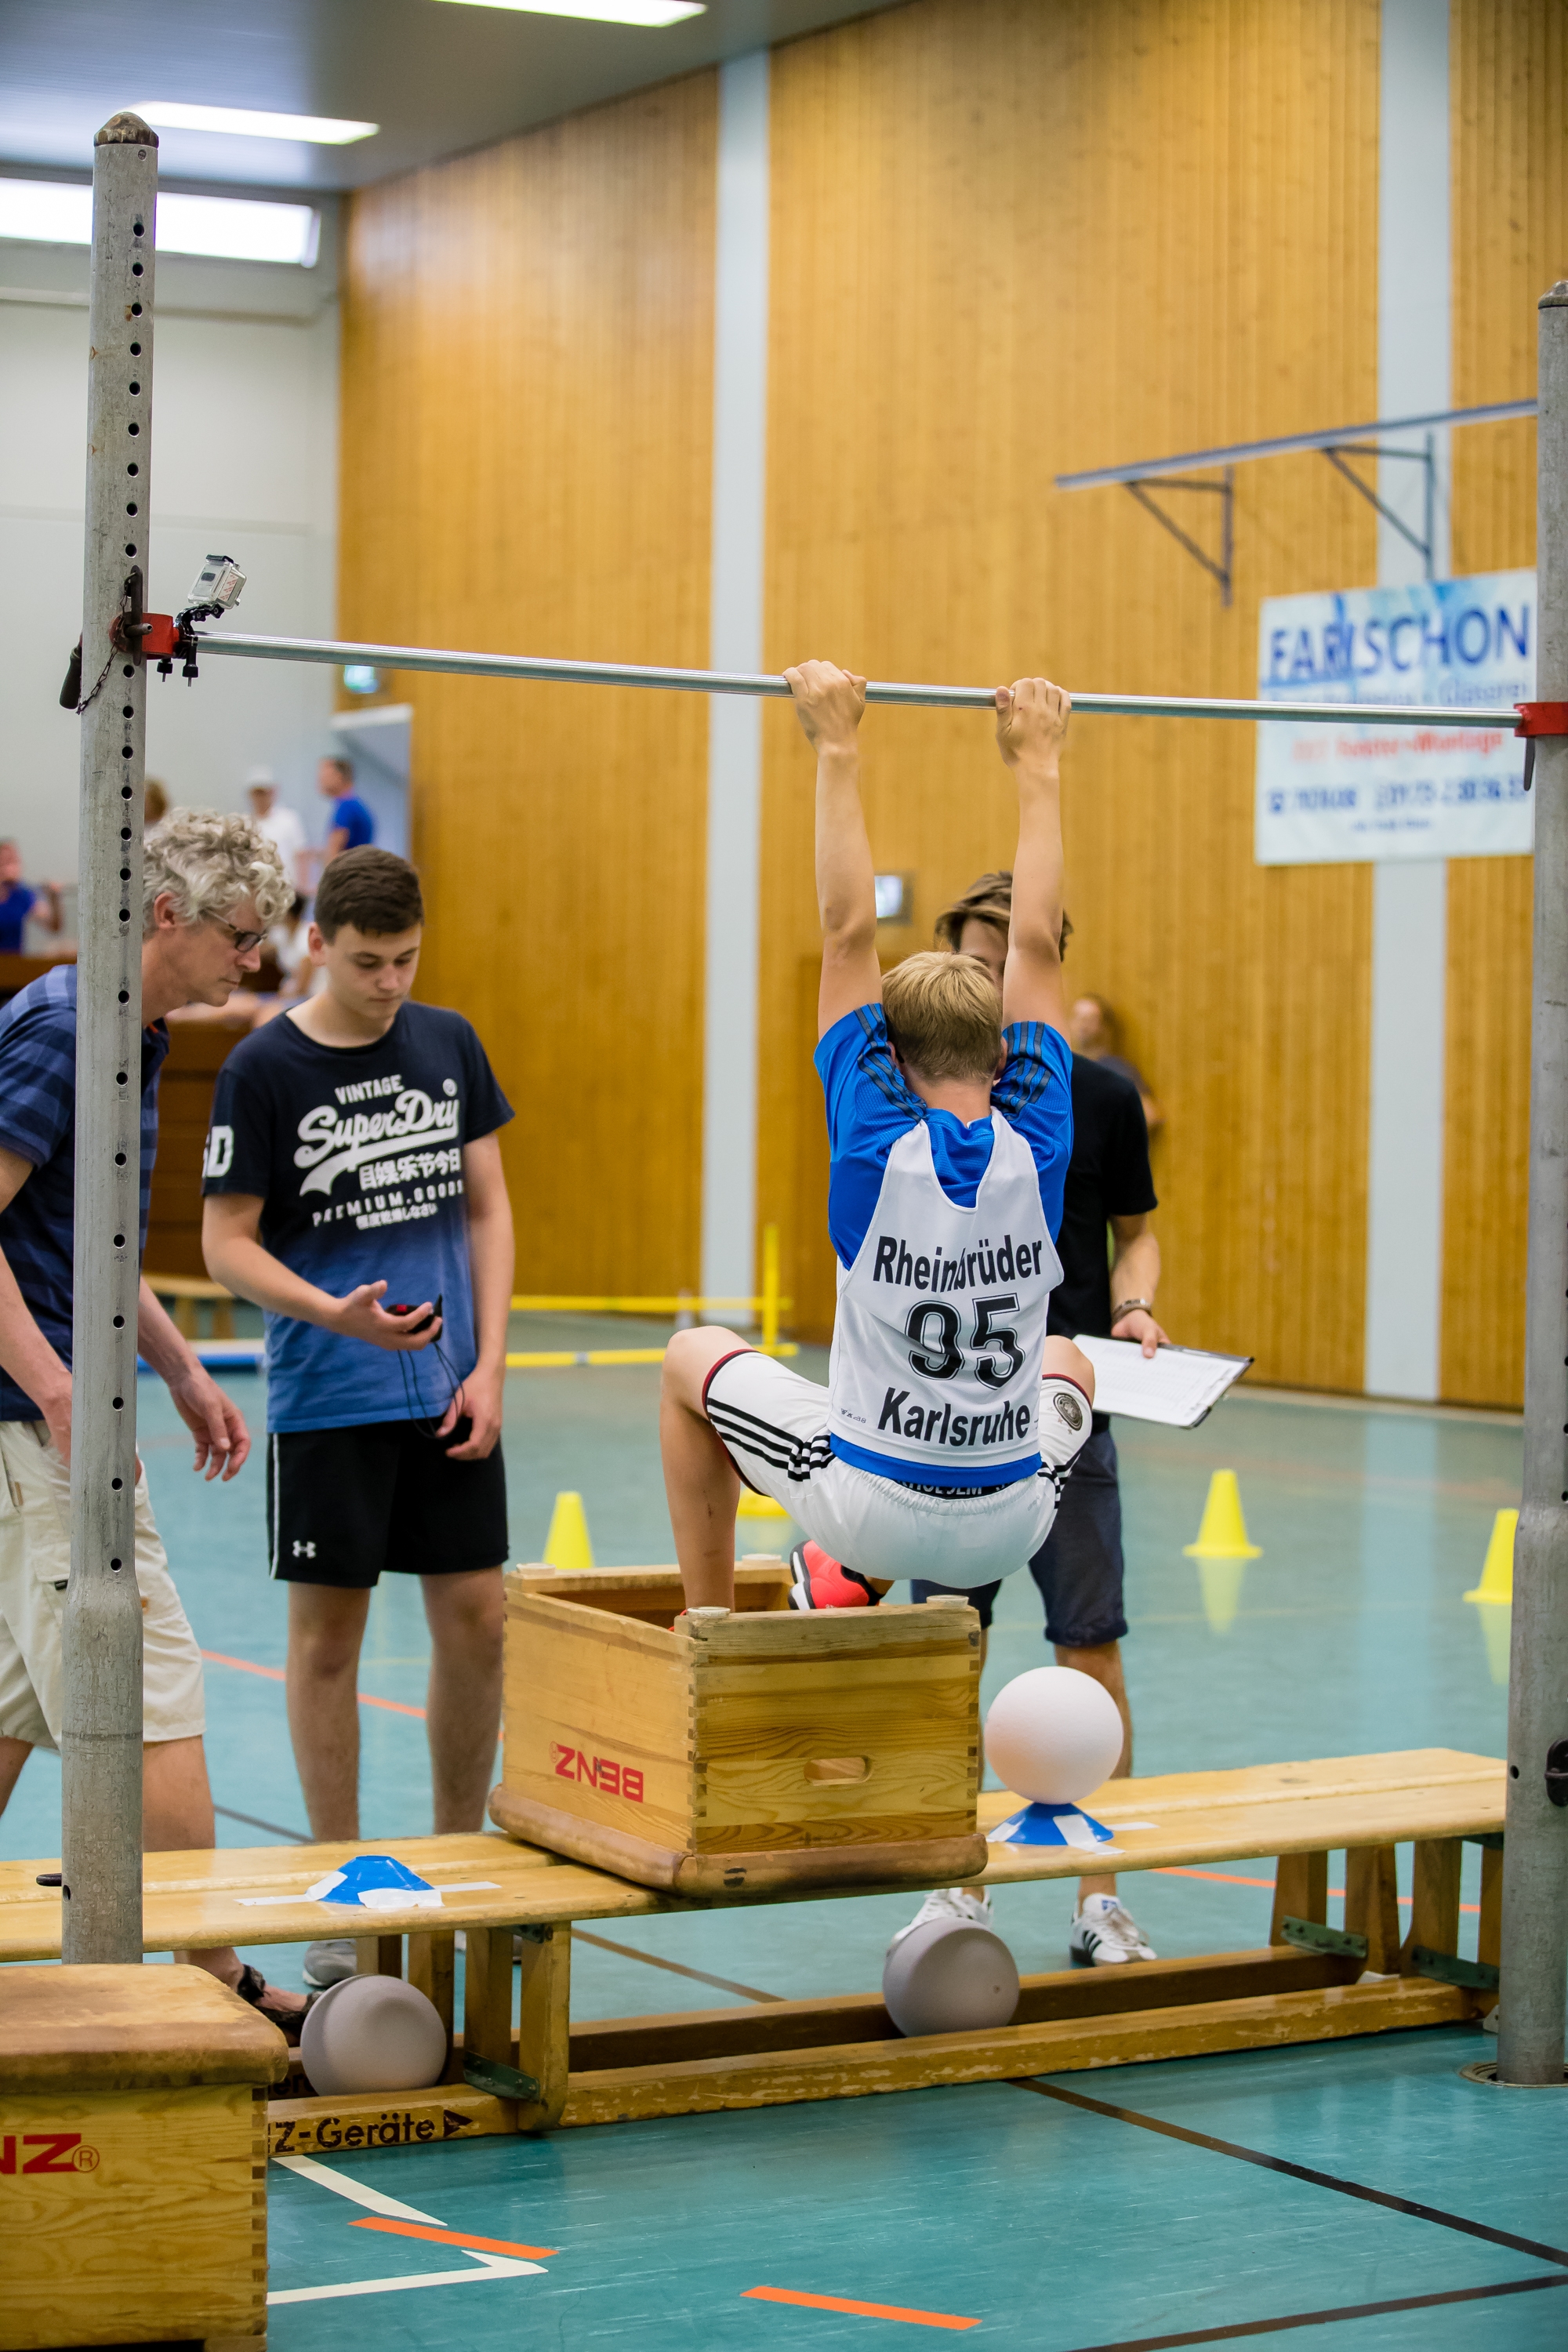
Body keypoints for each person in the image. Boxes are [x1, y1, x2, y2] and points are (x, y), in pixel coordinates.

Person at [660, 664, 1093, 1619]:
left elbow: (847, 933)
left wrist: (837, 743)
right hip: (1011, 1518)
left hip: (870, 1506)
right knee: (1069, 1362)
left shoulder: (872, 1143)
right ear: (1004, 1056)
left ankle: (709, 1627)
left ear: (886, 1058)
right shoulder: (1039, 1142)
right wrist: (1038, 763)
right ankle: (829, 1580)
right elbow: (1034, 946)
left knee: (690, 1356)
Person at [0, 810, 306, 2033]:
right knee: (155, 1691)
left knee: (12, 1703)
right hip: (40, 1432)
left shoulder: (141, 1035)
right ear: (168, 915)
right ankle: (210, 1983)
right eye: (241, 935)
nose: (254, 960)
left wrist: (177, 1368)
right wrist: (57, 1389)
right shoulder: (65, 1033)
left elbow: (96, 1237)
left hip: (48, 1418)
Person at [201, 847, 515, 1991]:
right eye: (369, 962)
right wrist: (328, 1311)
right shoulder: (262, 1067)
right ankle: (343, 1885)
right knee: (329, 1643)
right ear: (318, 946)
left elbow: (487, 1208)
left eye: (406, 961)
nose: (389, 983)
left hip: (447, 1391)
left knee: (478, 1622)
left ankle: (457, 1863)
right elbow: (225, 1243)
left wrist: (491, 1365)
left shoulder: (448, 1042)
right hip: (330, 1399)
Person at [1069, 990, 1162, 1137]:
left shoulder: (1116, 1069)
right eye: (1077, 1017)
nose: (1082, 1025)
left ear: (1103, 1027)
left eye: (1089, 1019)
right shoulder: (1064, 1066)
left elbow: (1150, 1115)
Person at [245, 768, 309, 896]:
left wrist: (303, 888)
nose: (261, 798)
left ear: (273, 792)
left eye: (264, 793)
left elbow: (301, 854)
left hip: (288, 889)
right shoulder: (246, 824)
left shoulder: (289, 819)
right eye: (257, 793)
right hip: (259, 891)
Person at [0, 841, 63, 956]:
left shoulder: (23, 895)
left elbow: (53, 927)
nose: (13, 867)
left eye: (15, 861)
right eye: (7, 861)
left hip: (12, 962)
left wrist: (54, 898)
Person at [315, 756, 375, 873]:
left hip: (349, 875)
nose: (320, 780)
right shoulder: (356, 805)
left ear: (338, 777)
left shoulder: (346, 807)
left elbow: (334, 854)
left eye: (325, 776)